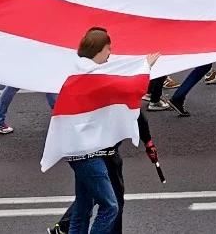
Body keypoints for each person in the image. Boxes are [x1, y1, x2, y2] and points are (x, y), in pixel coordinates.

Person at [59, 28, 161, 234]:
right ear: (98, 50)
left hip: (76, 149)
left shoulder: (79, 71)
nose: (110, 54)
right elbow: (127, 89)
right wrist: (145, 66)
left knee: (82, 208)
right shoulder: (94, 76)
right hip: (92, 153)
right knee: (110, 206)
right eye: (108, 49)